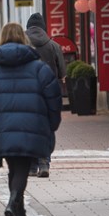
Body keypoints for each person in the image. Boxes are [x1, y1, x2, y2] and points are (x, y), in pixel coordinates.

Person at [0, 23, 62, 216]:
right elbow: (54, 99)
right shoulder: (40, 69)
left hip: (0, 131)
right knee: (21, 167)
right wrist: (52, 124)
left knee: (15, 167)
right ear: (24, 38)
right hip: (32, 128)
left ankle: (18, 212)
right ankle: (14, 203)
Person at [24, 14, 67, 179]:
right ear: (43, 27)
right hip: (48, 92)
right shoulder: (53, 45)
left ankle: (31, 165)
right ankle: (44, 162)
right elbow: (62, 72)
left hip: (26, 92)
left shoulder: (21, 45)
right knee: (46, 127)